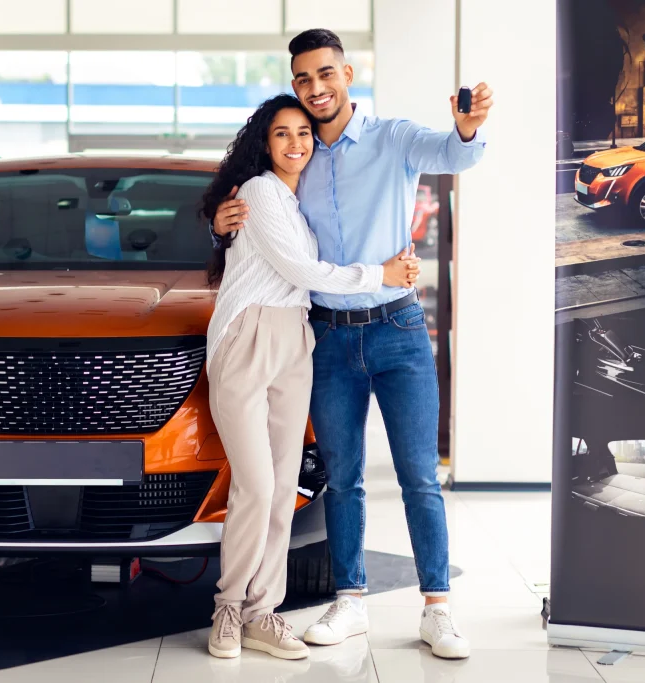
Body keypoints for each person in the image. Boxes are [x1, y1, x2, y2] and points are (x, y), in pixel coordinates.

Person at [210, 29, 493, 660]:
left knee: (419, 475)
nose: (315, 89)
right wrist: (219, 224)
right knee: (342, 478)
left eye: (325, 74)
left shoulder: (392, 137)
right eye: (303, 78)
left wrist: (467, 130)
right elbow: (259, 221)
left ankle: (438, 609)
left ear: (347, 74)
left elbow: (453, 153)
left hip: (397, 329)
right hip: (327, 338)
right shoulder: (298, 160)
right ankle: (349, 600)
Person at [202, 93, 421, 661]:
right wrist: (380, 274)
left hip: (296, 339)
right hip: (248, 336)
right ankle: (228, 607)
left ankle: (261, 612)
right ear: (264, 142)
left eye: (304, 133)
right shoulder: (257, 191)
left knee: (282, 488)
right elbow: (300, 269)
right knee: (256, 485)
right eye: (282, 133)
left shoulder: (299, 204)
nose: (296, 143)